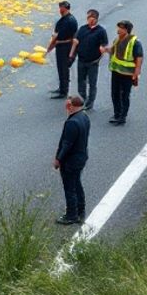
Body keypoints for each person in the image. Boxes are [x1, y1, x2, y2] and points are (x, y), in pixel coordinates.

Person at [53, 94, 91, 224]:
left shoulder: (71, 123)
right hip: (81, 157)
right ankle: (81, 209)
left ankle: (71, 215)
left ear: (71, 106)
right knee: (77, 183)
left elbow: (66, 144)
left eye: (68, 106)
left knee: (70, 188)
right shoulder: (85, 117)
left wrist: (58, 159)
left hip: (71, 161)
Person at [104, 20, 143, 125]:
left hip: (127, 73)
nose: (118, 30)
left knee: (124, 95)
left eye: (120, 28)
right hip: (116, 71)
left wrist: (136, 72)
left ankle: (122, 117)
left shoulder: (134, 42)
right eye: (118, 27)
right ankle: (117, 113)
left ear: (126, 30)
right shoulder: (117, 39)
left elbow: (139, 57)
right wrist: (106, 50)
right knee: (114, 93)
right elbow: (113, 51)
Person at [70, 9, 108, 110]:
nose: (89, 20)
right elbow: (76, 41)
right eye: (88, 17)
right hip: (81, 61)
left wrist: (101, 51)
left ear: (96, 19)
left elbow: (104, 45)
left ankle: (90, 102)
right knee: (81, 82)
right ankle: (83, 99)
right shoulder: (82, 29)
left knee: (92, 83)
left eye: (91, 18)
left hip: (93, 62)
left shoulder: (101, 31)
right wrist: (72, 55)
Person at [45, 1, 78, 98]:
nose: (59, 10)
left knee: (63, 68)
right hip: (62, 46)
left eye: (61, 8)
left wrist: (50, 47)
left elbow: (58, 36)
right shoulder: (65, 19)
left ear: (66, 8)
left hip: (65, 46)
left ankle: (64, 91)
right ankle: (62, 87)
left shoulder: (69, 21)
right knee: (60, 68)